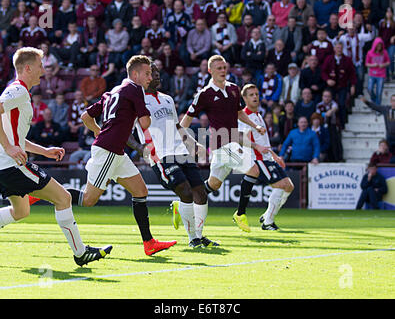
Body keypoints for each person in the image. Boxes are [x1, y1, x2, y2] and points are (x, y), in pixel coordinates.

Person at [0, 47, 112, 267]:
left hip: (7, 163)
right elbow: (11, 141)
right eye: (41, 66)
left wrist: (44, 151)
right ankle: (81, 253)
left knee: (21, 211)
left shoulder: (19, 92)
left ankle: (81, 252)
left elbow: (17, 139)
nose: (44, 70)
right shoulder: (18, 90)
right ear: (28, 68)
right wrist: (9, 148)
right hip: (11, 164)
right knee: (63, 198)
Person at [72, 55, 177, 256]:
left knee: (140, 190)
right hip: (110, 150)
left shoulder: (112, 92)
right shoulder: (135, 89)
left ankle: (149, 243)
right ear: (135, 74)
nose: (150, 77)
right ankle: (43, 192)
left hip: (115, 151)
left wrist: (97, 130)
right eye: (147, 73)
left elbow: (85, 117)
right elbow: (145, 123)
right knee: (88, 200)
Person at [177, 55, 267, 235]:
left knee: (213, 185)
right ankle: (240, 213)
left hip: (226, 146)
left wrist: (255, 125)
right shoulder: (204, 94)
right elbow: (185, 122)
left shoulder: (234, 89)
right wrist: (185, 142)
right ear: (210, 70)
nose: (223, 71)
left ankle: (182, 203)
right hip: (223, 144)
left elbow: (240, 113)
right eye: (218, 68)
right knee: (254, 170)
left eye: (224, 67)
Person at [127, 63, 211, 248]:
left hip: (180, 151)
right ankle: (193, 239)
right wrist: (141, 148)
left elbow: (177, 126)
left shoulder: (167, 99)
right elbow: (126, 131)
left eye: (157, 73)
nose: (156, 76)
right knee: (186, 192)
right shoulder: (136, 100)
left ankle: (199, 234)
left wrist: (194, 144)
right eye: (152, 73)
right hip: (160, 155)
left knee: (201, 193)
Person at [235, 83, 294, 232]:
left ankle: (267, 214)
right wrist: (255, 148)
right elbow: (240, 138)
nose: (255, 97)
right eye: (251, 95)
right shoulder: (244, 116)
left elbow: (264, 142)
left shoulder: (259, 115)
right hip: (258, 159)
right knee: (280, 186)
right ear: (244, 98)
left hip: (268, 157)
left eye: (256, 94)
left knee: (289, 186)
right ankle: (268, 222)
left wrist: (276, 156)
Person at [365, 37, 390, 106]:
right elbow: (366, 64)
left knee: (379, 92)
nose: (379, 47)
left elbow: (388, 62)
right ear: (375, 45)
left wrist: (383, 64)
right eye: (378, 45)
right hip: (372, 74)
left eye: (380, 45)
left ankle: (377, 106)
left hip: (381, 75)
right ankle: (374, 100)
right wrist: (373, 65)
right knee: (369, 89)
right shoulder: (370, 53)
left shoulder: (384, 52)